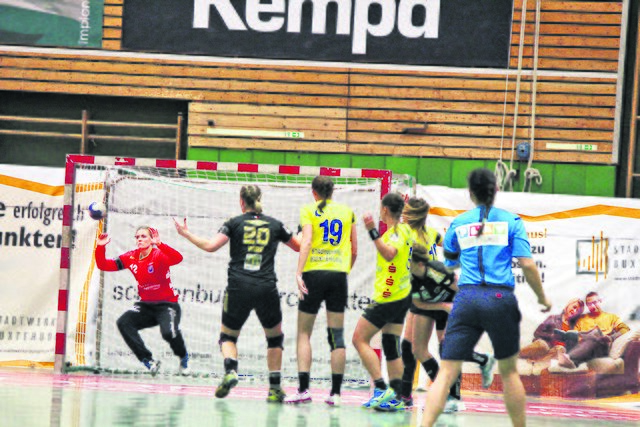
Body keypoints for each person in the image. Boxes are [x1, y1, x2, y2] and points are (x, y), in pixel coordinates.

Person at [421, 168, 552, 427]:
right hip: (499, 298)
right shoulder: (512, 222)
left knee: (446, 372)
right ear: (497, 191)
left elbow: (449, 262)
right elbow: (527, 264)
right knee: (509, 372)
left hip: (467, 298)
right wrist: (542, 298)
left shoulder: (459, 223)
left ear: (470, 193)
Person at [174, 185, 300, 402]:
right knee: (275, 338)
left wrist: (186, 233)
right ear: (260, 199)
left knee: (228, 337)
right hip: (265, 287)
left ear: (241, 201)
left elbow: (210, 246)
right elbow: (298, 247)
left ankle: (231, 370)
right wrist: (302, 231)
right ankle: (275, 388)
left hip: (238, 287)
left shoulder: (233, 223)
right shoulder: (275, 224)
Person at [400, 198, 497, 413]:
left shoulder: (408, 235)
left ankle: (447, 396)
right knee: (415, 346)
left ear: (411, 215)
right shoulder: (429, 233)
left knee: (431, 346)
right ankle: (414, 394)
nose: (402, 216)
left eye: (405, 212)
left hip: (432, 294)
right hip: (429, 292)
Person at [285, 176, 357, 406]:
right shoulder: (347, 212)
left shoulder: (308, 209)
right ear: (332, 192)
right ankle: (335, 394)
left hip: (313, 274)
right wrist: (342, 271)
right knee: (336, 335)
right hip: (338, 275)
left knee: (304, 333)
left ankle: (304, 390)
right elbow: (354, 250)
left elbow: (305, 242)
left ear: (314, 192)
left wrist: (298, 273)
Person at [95, 226, 189, 376]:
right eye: (137, 237)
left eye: (144, 236)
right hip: (146, 306)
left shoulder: (159, 255)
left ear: (151, 239)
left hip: (167, 304)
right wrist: (100, 247)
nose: (139, 239)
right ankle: (148, 360)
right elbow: (103, 265)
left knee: (168, 333)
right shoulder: (131, 257)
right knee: (124, 322)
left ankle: (183, 356)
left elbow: (178, 258)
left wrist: (160, 244)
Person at [352, 192, 414, 411]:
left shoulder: (396, 232)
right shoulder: (405, 229)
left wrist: (371, 230)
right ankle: (398, 397)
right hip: (400, 295)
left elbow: (389, 254)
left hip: (388, 297)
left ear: (385, 210)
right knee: (390, 346)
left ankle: (380, 387)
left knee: (359, 339)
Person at [557, 291, 630, 369]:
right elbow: (577, 335)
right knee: (576, 335)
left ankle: (569, 358)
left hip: (601, 347)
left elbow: (625, 329)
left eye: (594, 302)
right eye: (589, 304)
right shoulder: (581, 319)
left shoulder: (611, 317)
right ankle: (571, 360)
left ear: (600, 301)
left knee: (595, 334)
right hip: (584, 346)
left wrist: (611, 337)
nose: (592, 306)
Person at [519, 298, 584, 361]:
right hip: (544, 345)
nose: (575, 311)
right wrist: (552, 336)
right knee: (543, 346)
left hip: (554, 351)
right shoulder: (552, 318)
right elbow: (537, 333)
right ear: (568, 305)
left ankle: (538, 361)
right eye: (574, 307)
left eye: (578, 311)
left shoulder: (574, 328)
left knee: (561, 349)